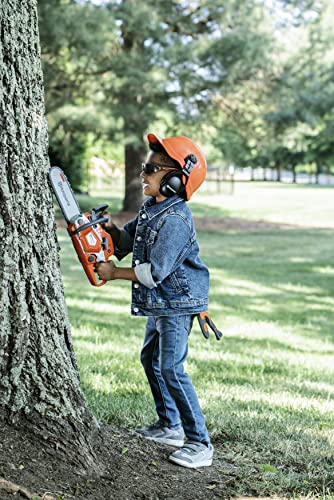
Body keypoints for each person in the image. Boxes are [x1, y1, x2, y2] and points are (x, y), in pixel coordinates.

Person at [96, 133, 214, 469]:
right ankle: (169, 425)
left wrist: (114, 273)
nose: (143, 174)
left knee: (171, 368)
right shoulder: (152, 208)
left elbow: (156, 272)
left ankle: (199, 442)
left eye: (151, 168)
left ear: (176, 179)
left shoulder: (176, 220)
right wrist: (109, 229)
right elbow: (127, 241)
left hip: (176, 303)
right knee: (151, 359)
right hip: (161, 303)